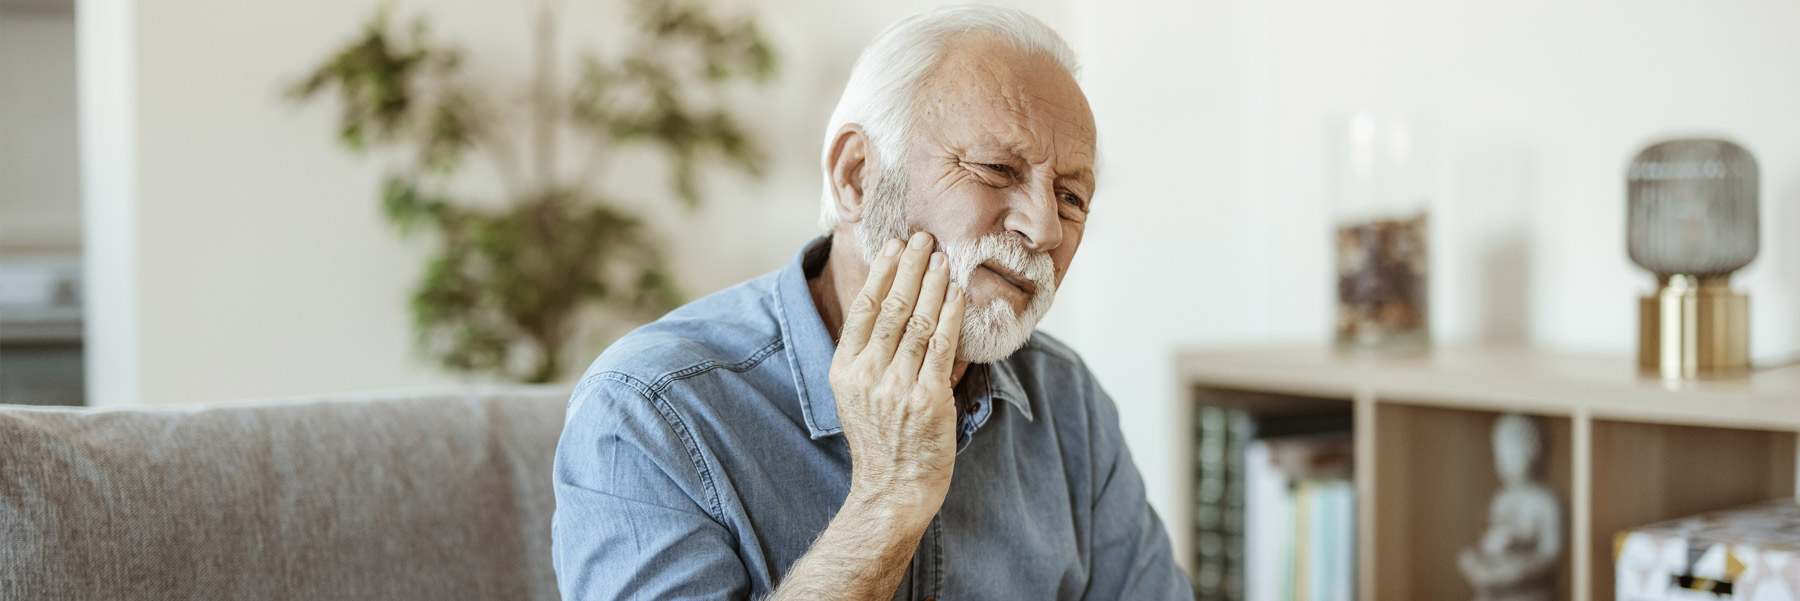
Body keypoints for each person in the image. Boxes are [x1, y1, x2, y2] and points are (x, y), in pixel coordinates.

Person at [551, 5, 1191, 599]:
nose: (1045, 229)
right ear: (857, 176)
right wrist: (888, 500)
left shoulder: (1067, 402)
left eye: (1072, 199)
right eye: (997, 170)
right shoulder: (646, 410)